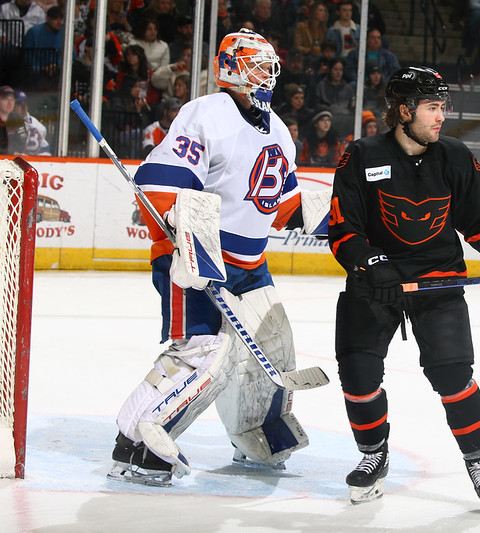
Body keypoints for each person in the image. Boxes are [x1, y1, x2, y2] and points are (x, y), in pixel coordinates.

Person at [328, 66, 480, 506]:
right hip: (375, 285)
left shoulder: (455, 156)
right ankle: (373, 455)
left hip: (438, 282)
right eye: (432, 108)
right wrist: (372, 262)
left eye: (441, 107)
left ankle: (478, 457)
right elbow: (342, 229)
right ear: (404, 110)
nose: (441, 117)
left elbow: (478, 222)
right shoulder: (361, 155)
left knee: (453, 376)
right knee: (357, 376)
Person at [108, 29, 324, 487]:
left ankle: (257, 432)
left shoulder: (279, 130)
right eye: (256, 64)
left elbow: (283, 206)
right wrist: (186, 246)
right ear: (230, 68)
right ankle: (142, 442)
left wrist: (345, 219)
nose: (267, 74)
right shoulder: (207, 113)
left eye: (269, 65)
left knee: (273, 343)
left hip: (249, 266)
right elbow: (161, 184)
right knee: (204, 354)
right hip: (194, 260)